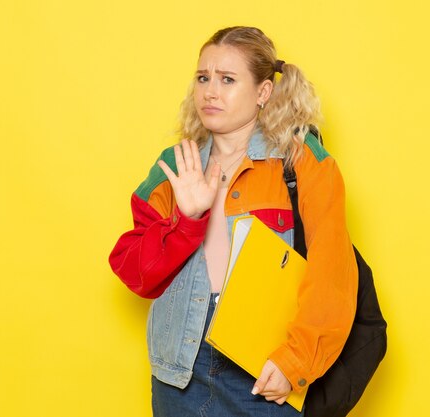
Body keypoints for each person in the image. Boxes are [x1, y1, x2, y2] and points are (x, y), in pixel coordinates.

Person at [109, 26, 358, 417]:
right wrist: (187, 219)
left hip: (262, 369)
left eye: (227, 80)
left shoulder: (303, 162)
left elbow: (333, 276)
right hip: (178, 371)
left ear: (263, 92)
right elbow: (135, 273)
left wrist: (295, 362)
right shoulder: (175, 166)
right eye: (203, 78)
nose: (211, 91)